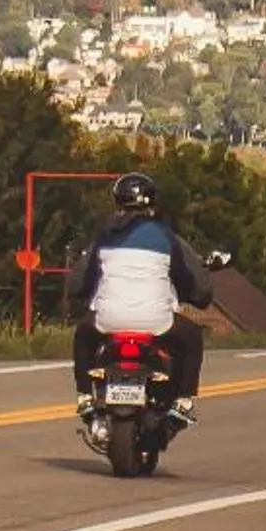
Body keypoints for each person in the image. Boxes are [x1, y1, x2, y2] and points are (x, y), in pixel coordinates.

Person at [68, 171, 209, 425]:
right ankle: (184, 400)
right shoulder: (166, 237)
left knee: (83, 335)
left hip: (109, 320)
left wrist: (83, 295)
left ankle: (84, 395)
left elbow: (80, 281)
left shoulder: (104, 236)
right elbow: (187, 279)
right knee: (192, 338)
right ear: (153, 203)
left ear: (117, 202)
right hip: (156, 322)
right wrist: (197, 297)